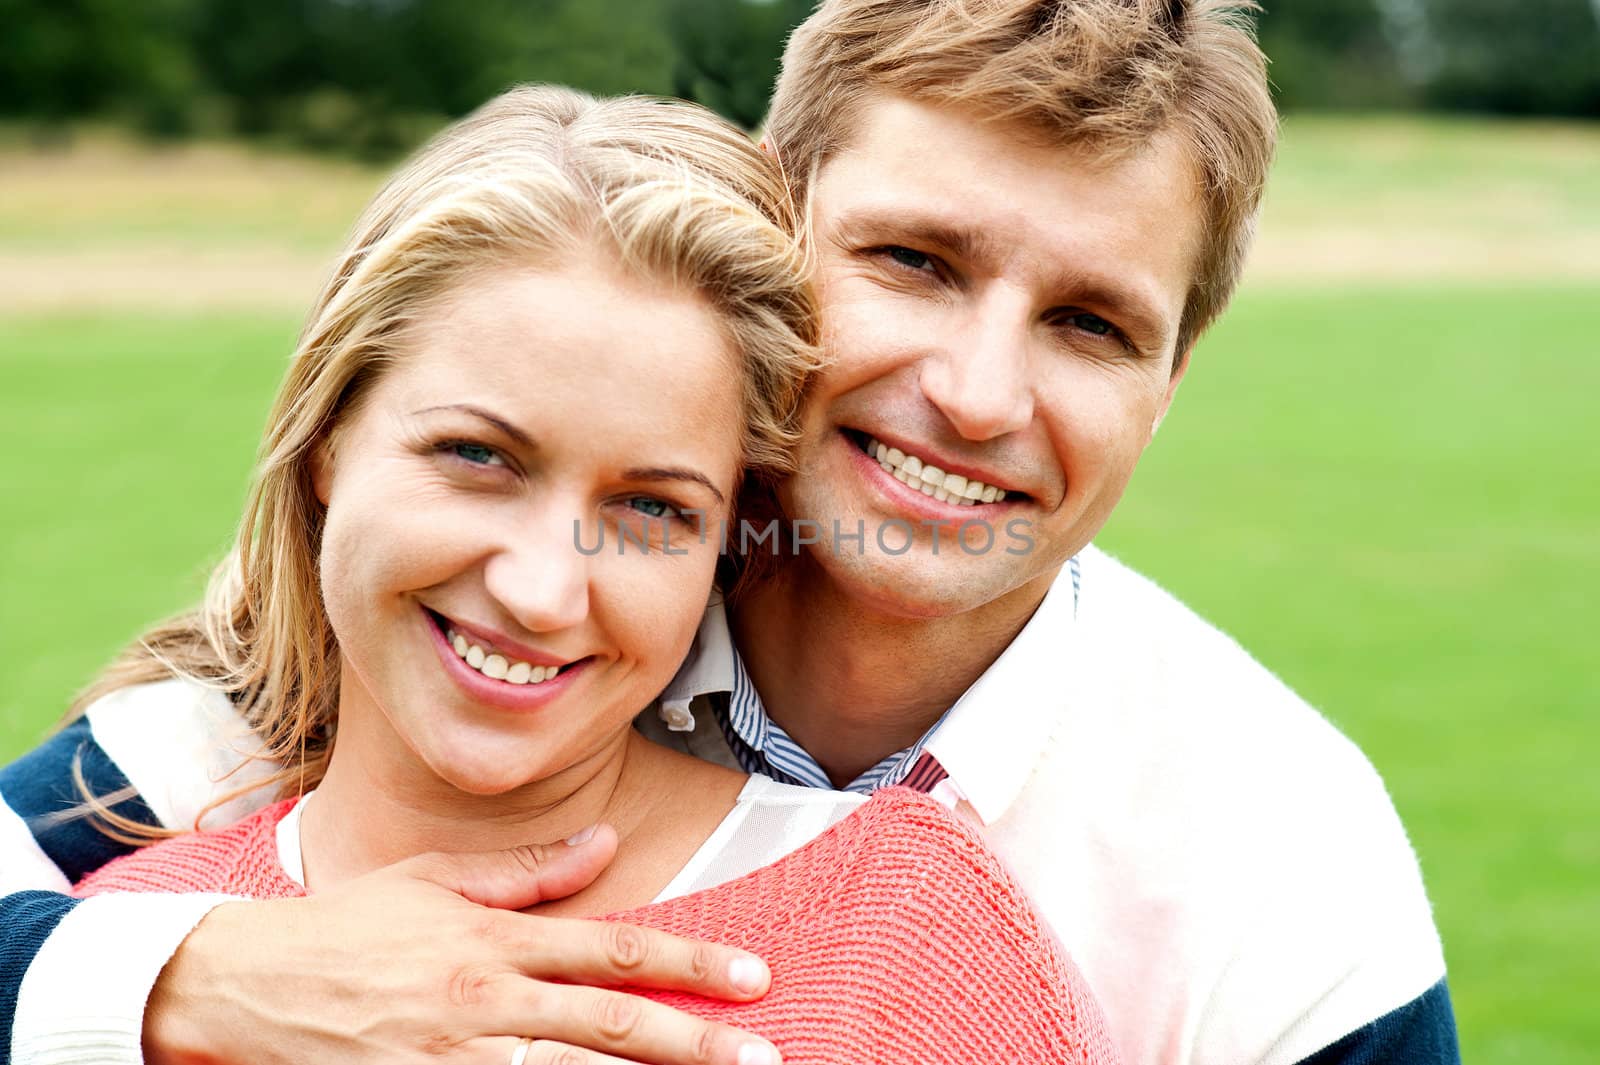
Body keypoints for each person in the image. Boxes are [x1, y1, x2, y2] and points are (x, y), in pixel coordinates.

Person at [1, 2, 1459, 1064]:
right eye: (912, 261)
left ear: (1168, 387)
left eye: (1090, 324)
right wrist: (182, 980)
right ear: (776, 231)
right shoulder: (361, 675)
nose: (976, 392)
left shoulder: (1284, 851)